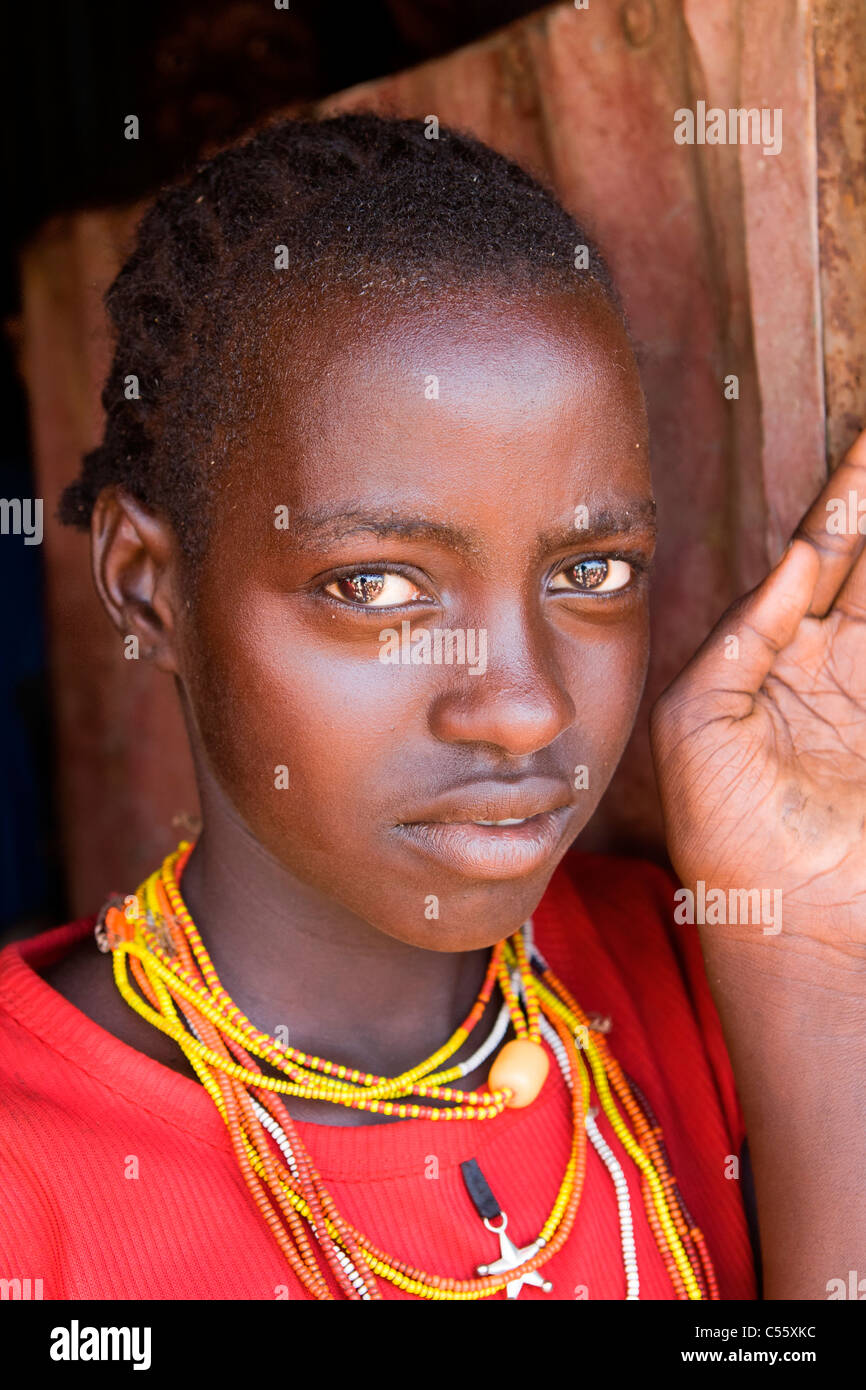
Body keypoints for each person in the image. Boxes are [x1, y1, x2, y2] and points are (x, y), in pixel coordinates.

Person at [1, 113, 863, 1302]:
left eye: (590, 571)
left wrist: (814, 960)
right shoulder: (29, 1173)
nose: (520, 707)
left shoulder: (706, 971)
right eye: (375, 586)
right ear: (149, 588)